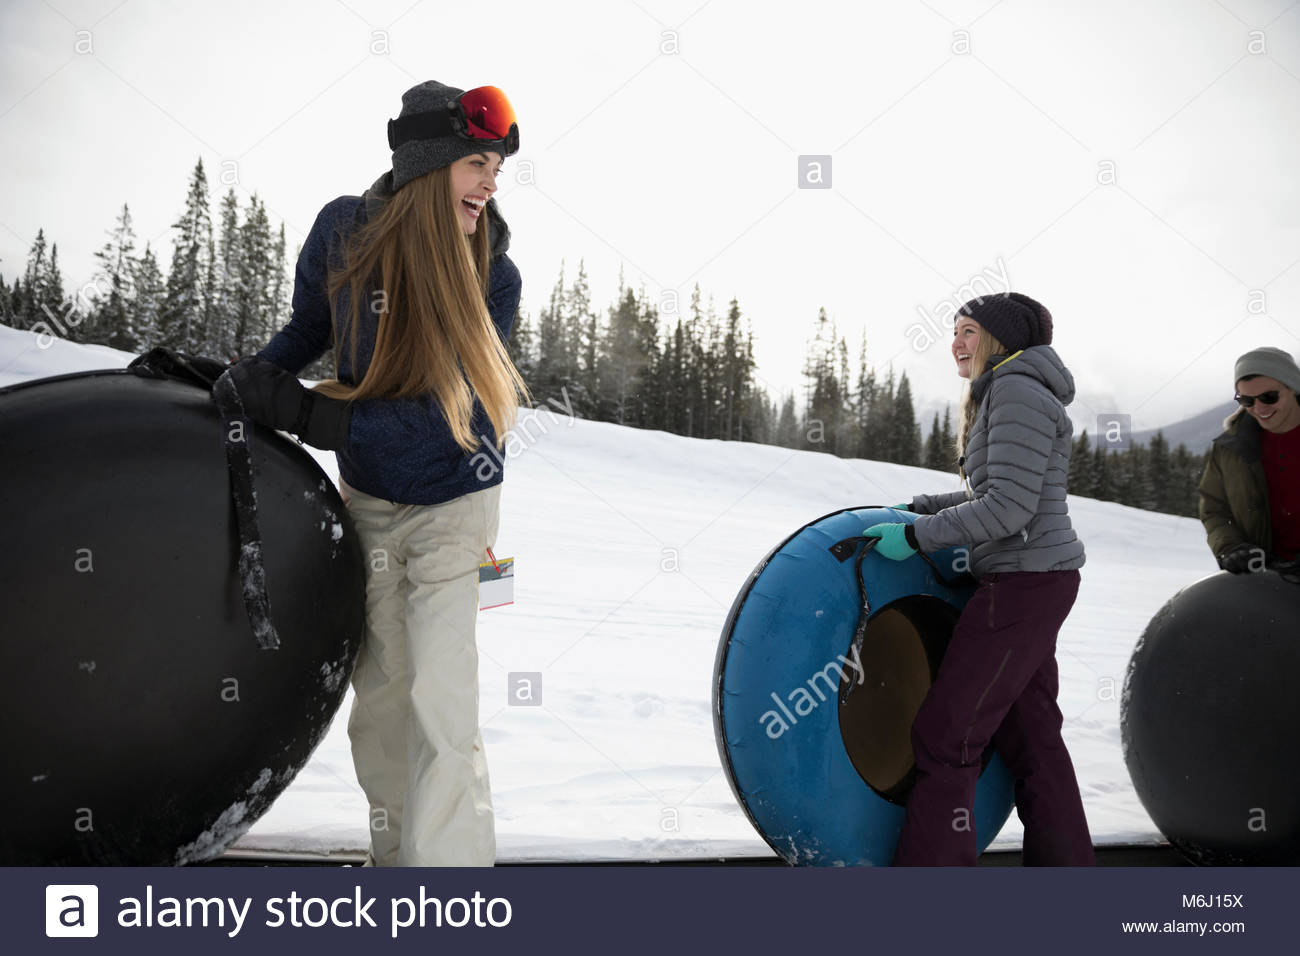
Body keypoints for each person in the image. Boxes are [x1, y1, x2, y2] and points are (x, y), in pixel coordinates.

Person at [225, 80, 528, 866]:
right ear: (428, 166)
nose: (492, 180)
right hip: (371, 500)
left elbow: (448, 418)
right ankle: (400, 878)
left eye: (495, 165)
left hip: (457, 505)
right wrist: (252, 379)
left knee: (441, 704)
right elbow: (310, 328)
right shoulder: (344, 230)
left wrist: (317, 417)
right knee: (383, 708)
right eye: (476, 162)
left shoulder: (493, 274)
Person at [861, 292, 1094, 866]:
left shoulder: (1014, 390)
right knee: (1031, 736)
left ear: (998, 339)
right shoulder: (1012, 389)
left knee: (947, 735)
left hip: (1021, 585)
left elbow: (1008, 510)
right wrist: (916, 508)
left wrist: (917, 538)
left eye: (967, 330)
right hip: (1037, 579)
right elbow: (991, 495)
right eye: (954, 331)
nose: (956, 343)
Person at [1198, 347, 1300, 573]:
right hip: (1265, 581)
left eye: (1268, 397)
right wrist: (1230, 547)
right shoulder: (1229, 448)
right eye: (1246, 400)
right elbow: (1214, 509)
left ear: (1292, 387)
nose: (1259, 408)